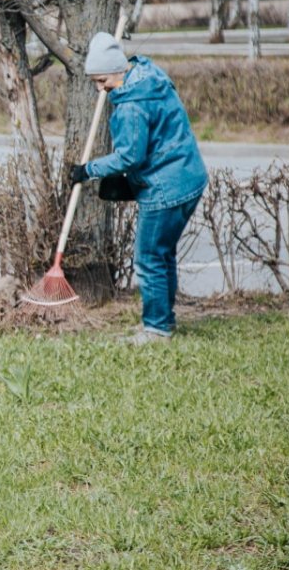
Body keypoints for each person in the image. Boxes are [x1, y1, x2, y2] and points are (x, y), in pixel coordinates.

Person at [69, 31, 208, 345]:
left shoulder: (132, 105)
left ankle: (156, 329)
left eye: (102, 80)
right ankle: (162, 322)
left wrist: (87, 170)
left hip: (166, 188)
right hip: (189, 176)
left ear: (118, 71)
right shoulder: (148, 78)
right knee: (162, 255)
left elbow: (130, 155)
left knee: (148, 258)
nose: (100, 89)